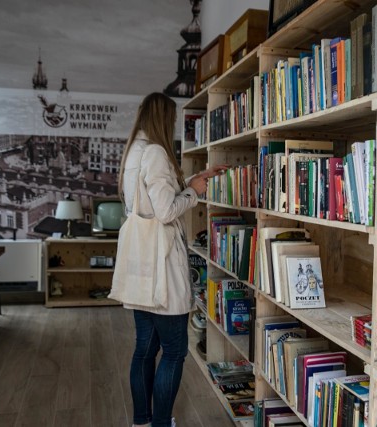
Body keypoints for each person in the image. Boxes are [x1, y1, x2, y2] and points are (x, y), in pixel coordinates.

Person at [116, 92, 228, 427]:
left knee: (144, 350)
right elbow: (166, 211)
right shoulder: (156, 153)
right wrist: (193, 192)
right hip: (162, 268)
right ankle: (162, 423)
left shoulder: (133, 152)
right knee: (175, 352)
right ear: (163, 118)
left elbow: (148, 203)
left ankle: (142, 421)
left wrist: (192, 180)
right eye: (172, 119)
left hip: (140, 268)